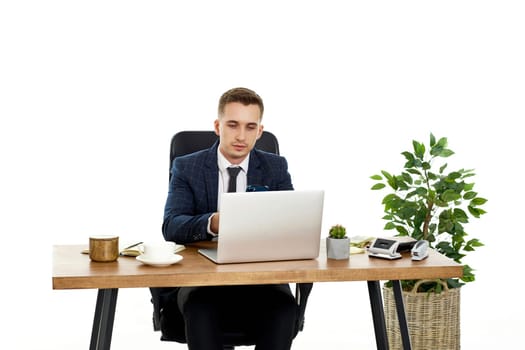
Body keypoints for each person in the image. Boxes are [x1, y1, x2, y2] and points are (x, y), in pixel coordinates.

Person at [160, 87, 299, 350]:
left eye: (250, 127)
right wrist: (212, 222)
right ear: (217, 126)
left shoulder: (275, 167)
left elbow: (290, 223)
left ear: (260, 131)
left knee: (284, 310)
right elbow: (171, 225)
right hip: (204, 282)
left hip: (261, 280)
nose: (241, 136)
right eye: (233, 125)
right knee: (201, 310)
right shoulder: (187, 166)